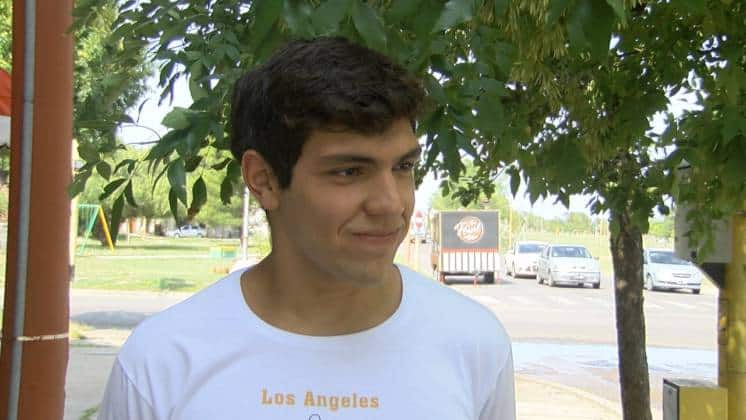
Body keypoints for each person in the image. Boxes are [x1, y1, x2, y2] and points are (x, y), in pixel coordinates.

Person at [98, 36, 515, 420]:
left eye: (403, 167)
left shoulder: (474, 346)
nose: (391, 204)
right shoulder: (162, 362)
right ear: (263, 179)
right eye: (350, 171)